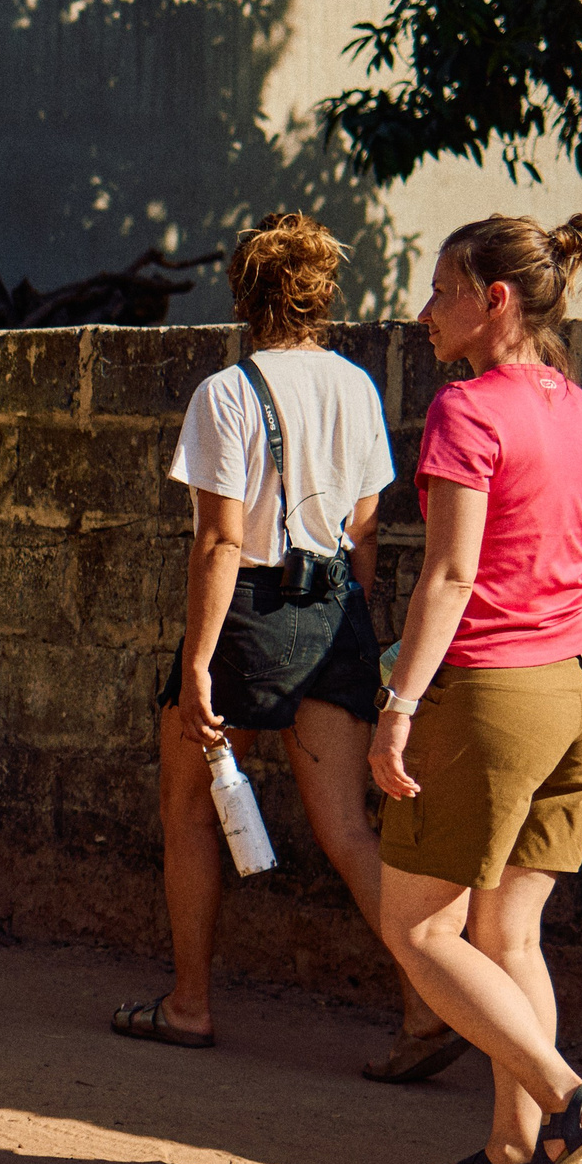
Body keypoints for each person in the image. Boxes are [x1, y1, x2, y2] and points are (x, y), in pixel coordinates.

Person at [112, 213, 457, 1079]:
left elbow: (220, 541)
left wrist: (197, 664)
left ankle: (190, 1003)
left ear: (245, 293)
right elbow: (366, 531)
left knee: (189, 808)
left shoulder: (227, 394)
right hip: (334, 607)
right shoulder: (357, 388)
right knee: (346, 828)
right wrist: (346, 618)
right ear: (321, 296)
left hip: (246, 614)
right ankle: (426, 1003)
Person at [372, 213, 582, 1164]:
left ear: (495, 299)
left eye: (442, 290)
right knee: (508, 933)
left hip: (495, 695)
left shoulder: (466, 409)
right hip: (581, 694)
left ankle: (568, 1100)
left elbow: (449, 576)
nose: (425, 312)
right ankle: (513, 1147)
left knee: (417, 926)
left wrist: (399, 705)